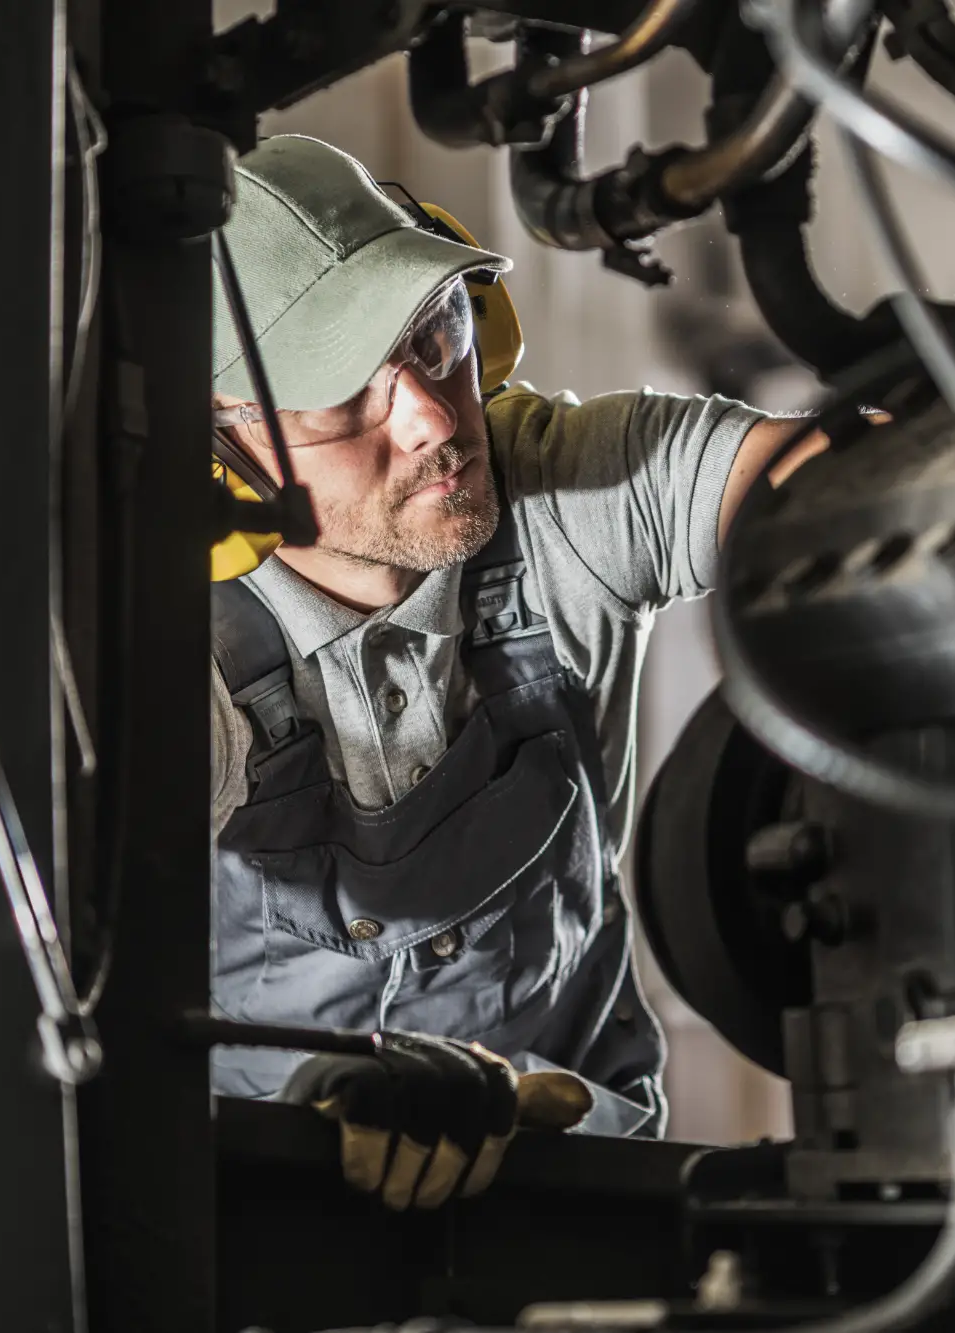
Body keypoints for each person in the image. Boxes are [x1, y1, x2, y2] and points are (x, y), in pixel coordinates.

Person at [207, 133, 825, 1211]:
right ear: (224, 445)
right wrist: (312, 1092)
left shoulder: (554, 488)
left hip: (580, 1207)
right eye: (344, 391)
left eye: (434, 335)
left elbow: (845, 489)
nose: (437, 418)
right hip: (258, 1237)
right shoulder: (162, 642)